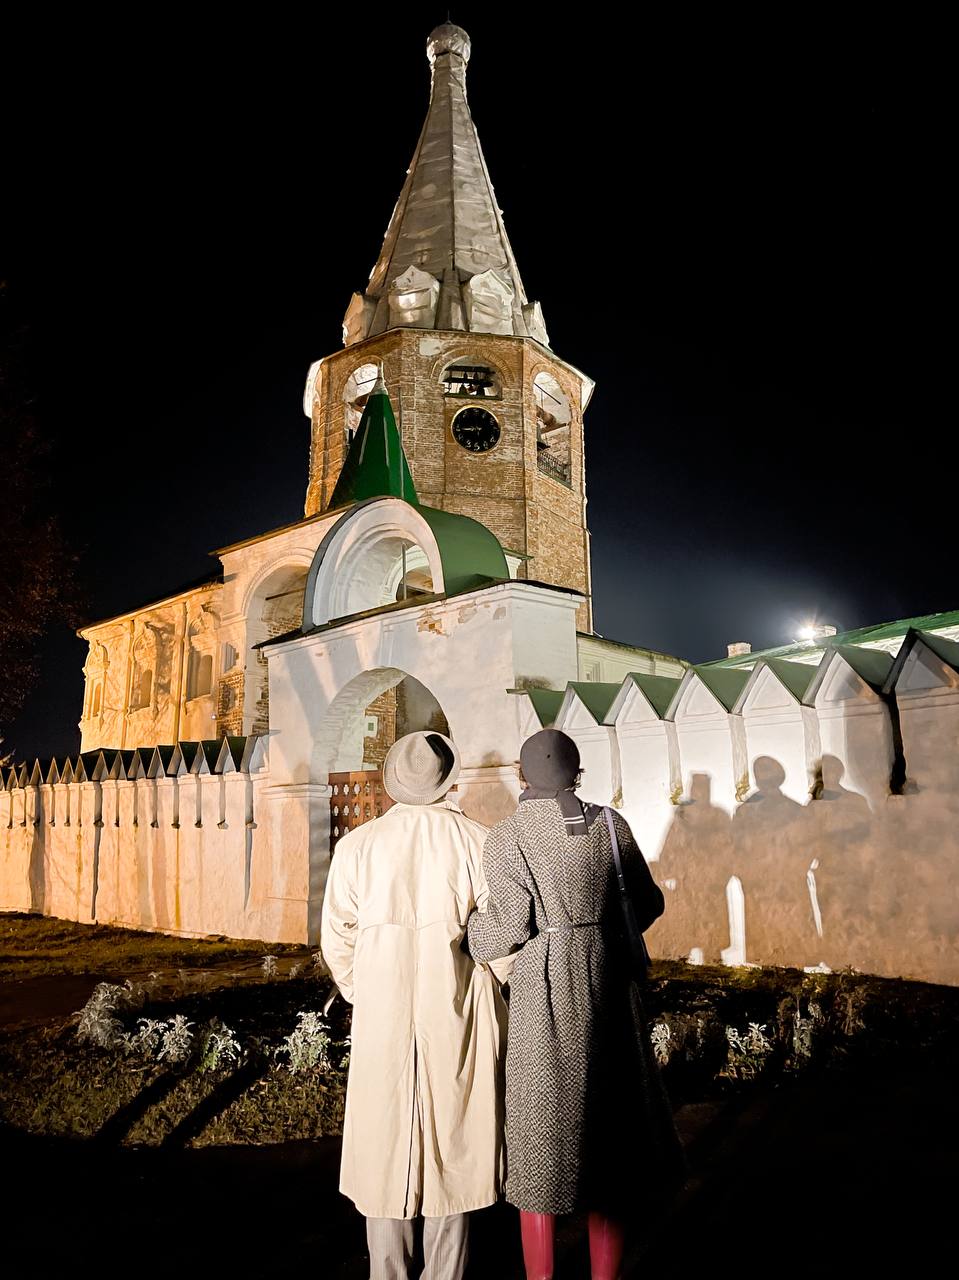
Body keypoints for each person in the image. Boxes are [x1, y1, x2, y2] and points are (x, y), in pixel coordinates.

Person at [467, 729, 686, 1280]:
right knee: (611, 1132)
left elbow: (508, 927)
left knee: (540, 1130)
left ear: (523, 775)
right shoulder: (611, 824)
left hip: (543, 989)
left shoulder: (509, 835)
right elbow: (648, 902)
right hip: (609, 979)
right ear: (577, 770)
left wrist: (473, 934)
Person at [321, 730, 508, 1280]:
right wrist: (500, 984)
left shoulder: (358, 846)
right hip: (456, 1008)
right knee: (454, 1142)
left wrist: (365, 990)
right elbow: (501, 936)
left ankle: (388, 1273)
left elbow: (337, 937)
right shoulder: (477, 841)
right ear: (447, 781)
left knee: (385, 1146)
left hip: (383, 1013)